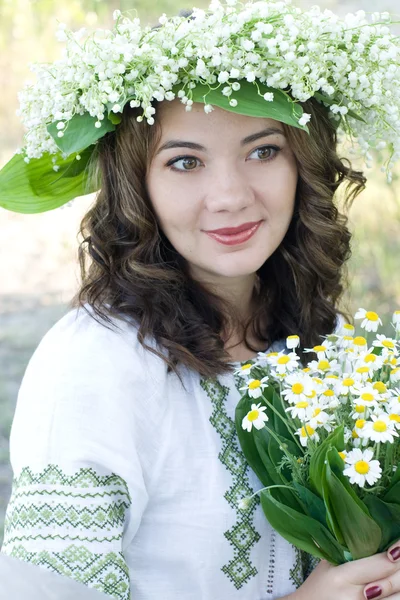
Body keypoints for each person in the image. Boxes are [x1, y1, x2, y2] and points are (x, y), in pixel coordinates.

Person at [1, 2, 400, 600]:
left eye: (263, 151)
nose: (230, 196)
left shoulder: (336, 344)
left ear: (304, 164)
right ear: (138, 185)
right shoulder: (94, 366)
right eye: (185, 162)